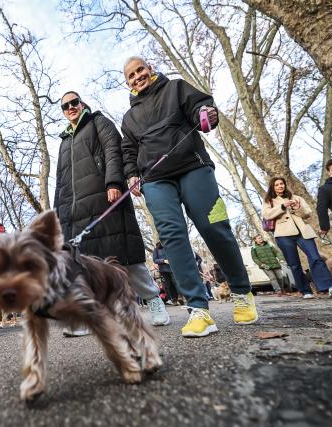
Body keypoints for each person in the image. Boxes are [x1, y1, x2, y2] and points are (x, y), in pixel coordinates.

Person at [120, 56, 258, 337]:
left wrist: (206, 115)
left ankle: (242, 293)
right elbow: (128, 151)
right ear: (128, 83)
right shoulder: (129, 117)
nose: (137, 77)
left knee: (214, 227)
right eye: (131, 76)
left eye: (140, 70)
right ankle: (198, 309)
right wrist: (131, 174)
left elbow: (200, 107)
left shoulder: (177, 88)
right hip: (156, 179)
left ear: (150, 69)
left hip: (193, 166)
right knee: (172, 236)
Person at [54, 90, 169, 338]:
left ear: (82, 103)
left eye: (74, 102)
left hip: (106, 197)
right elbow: (60, 181)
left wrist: (114, 183)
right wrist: (57, 213)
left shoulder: (98, 122)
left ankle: (153, 299)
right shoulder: (64, 141)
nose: (71, 107)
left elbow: (113, 151)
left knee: (127, 257)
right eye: (65, 106)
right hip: (75, 210)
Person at [261, 177, 332, 299]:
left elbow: (307, 213)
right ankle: (306, 291)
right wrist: (283, 206)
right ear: (272, 187)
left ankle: (330, 288)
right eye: (277, 185)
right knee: (294, 264)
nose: (280, 186)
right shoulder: (269, 201)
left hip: (303, 232)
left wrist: (297, 208)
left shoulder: (297, 198)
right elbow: (267, 215)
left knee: (316, 258)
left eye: (282, 184)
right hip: (283, 235)